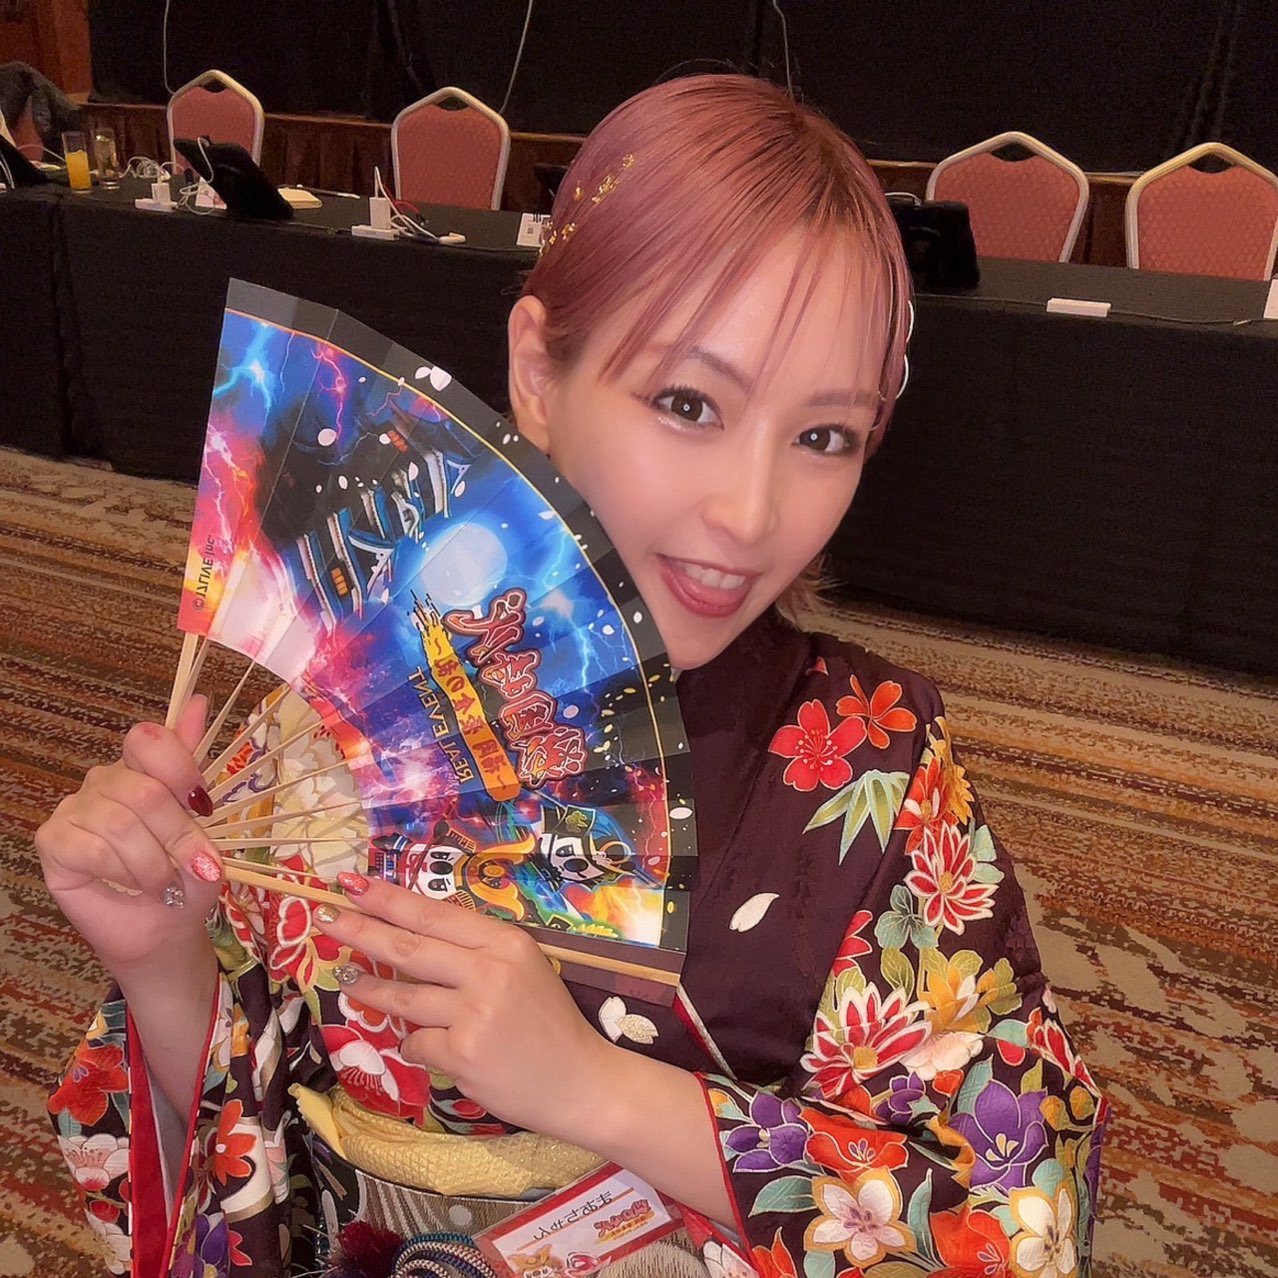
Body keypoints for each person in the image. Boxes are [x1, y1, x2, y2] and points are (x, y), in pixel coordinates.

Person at [39, 74, 1106, 1278]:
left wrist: (596, 1089)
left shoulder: (874, 765)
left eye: (825, 436)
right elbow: (253, 1146)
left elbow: (1015, 1210)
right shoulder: (346, 698)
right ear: (540, 375)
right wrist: (161, 966)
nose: (750, 513)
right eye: (689, 402)